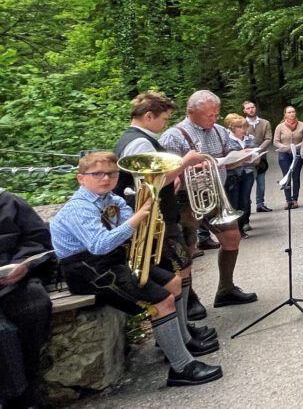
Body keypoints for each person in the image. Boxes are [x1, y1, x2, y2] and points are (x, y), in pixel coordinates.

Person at [50, 152, 223, 387]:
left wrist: (146, 213)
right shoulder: (79, 208)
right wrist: (137, 219)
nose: (106, 178)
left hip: (113, 261)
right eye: (98, 174)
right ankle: (181, 367)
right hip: (88, 270)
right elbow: (100, 245)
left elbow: (133, 227)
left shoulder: (113, 200)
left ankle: (180, 341)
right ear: (81, 179)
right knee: (162, 301)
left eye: (112, 173)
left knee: (173, 282)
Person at [114, 91, 217, 332]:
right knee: (179, 267)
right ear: (148, 116)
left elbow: (156, 179)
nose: (165, 124)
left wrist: (173, 178)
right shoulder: (139, 141)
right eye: (164, 119)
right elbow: (147, 184)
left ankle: (184, 326)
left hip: (159, 214)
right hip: (156, 218)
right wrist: (184, 163)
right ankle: (182, 328)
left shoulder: (135, 138)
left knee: (180, 266)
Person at [160, 90, 257, 309]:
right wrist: (189, 167)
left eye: (216, 115)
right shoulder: (172, 137)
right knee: (188, 248)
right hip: (185, 199)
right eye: (209, 116)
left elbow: (227, 161)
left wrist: (242, 158)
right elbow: (166, 176)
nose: (214, 120)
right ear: (191, 112)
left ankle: (226, 289)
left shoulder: (220, 131)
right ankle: (189, 300)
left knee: (232, 237)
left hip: (214, 193)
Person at [0, 186, 57, 408]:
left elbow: (39, 240)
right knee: (3, 332)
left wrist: (25, 264)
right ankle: (20, 395)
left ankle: (28, 379)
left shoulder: (9, 201)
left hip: (12, 281)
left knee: (35, 304)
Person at [223, 114, 258, 236]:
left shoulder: (250, 138)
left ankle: (242, 226)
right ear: (233, 128)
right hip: (232, 174)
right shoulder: (226, 139)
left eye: (245, 127)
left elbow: (256, 156)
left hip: (248, 172)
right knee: (234, 201)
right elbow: (225, 158)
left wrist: (255, 157)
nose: (244, 130)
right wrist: (239, 158)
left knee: (245, 200)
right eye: (240, 127)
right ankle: (235, 229)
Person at [243, 100, 274, 213]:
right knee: (247, 184)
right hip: (247, 159)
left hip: (261, 158)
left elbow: (268, 138)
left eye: (252, 107)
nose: (251, 110)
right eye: (248, 108)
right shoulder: (242, 124)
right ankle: (246, 206)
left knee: (261, 183)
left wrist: (258, 151)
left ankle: (260, 204)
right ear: (244, 110)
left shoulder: (265, 123)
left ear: (255, 108)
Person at [274, 106, 303, 209]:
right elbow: (276, 141)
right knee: (286, 176)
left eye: (293, 112)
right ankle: (288, 200)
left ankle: (295, 199)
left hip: (297, 154)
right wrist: (284, 147)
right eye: (289, 112)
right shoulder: (280, 127)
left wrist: (295, 147)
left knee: (295, 176)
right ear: (285, 114)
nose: (292, 114)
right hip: (284, 153)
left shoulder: (302, 125)